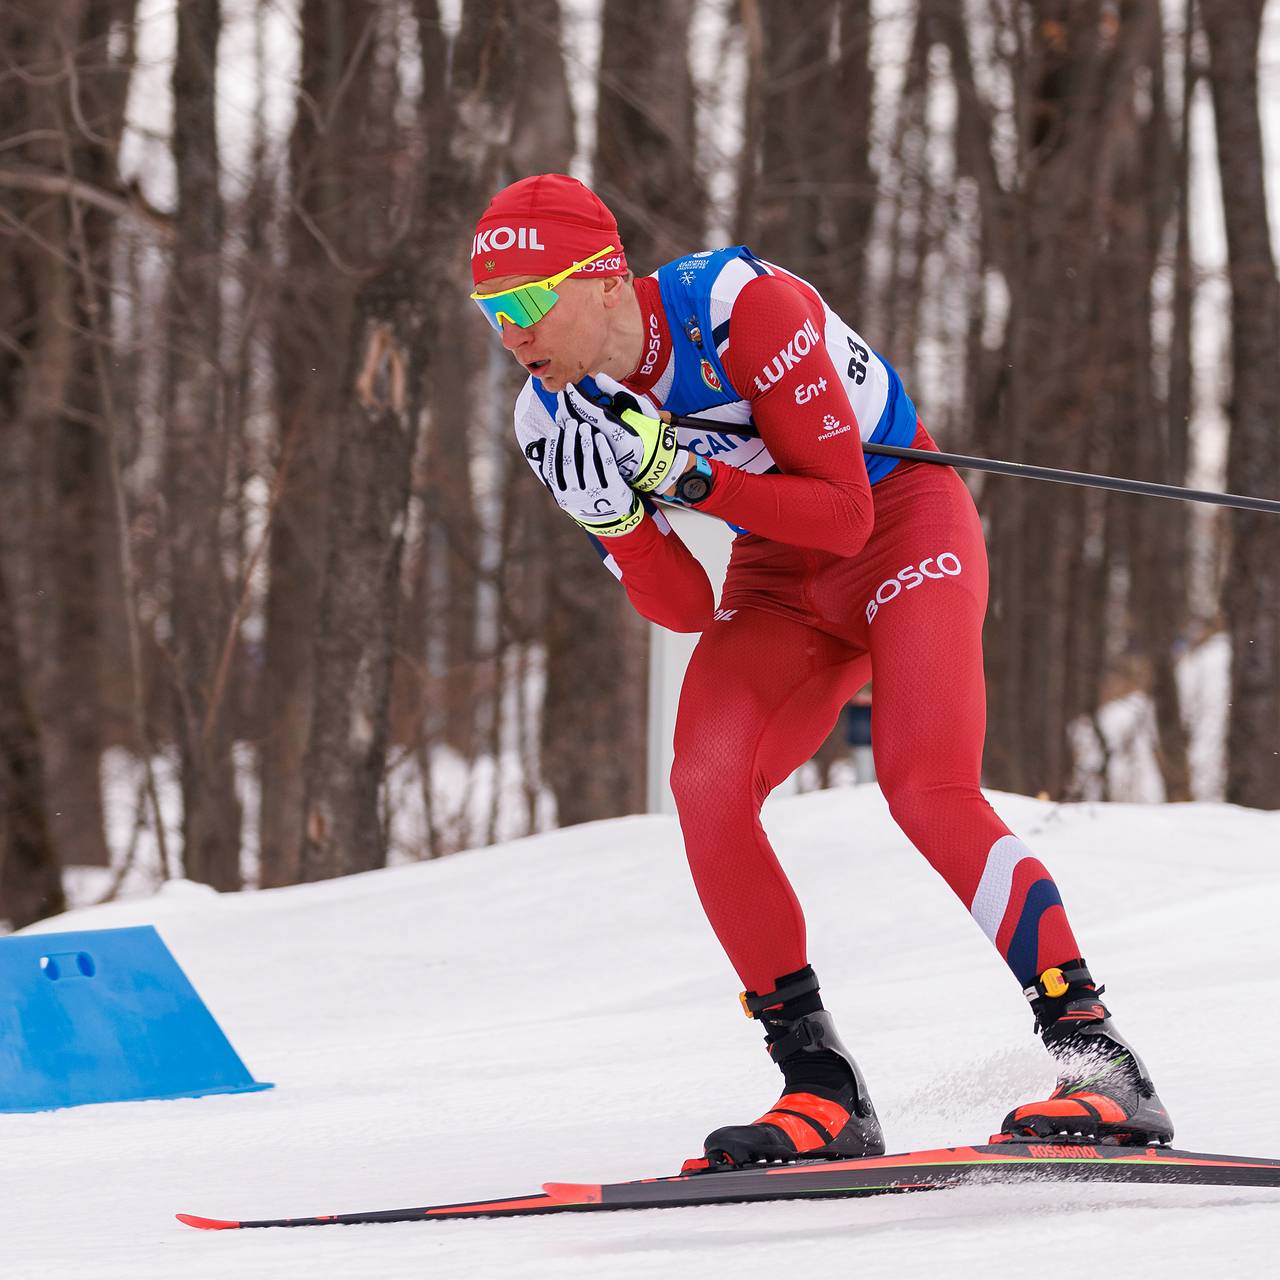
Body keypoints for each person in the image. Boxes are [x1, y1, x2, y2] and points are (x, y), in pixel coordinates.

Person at [468, 173, 1172, 1169]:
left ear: (603, 278)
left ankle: (1098, 1057)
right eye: (492, 311)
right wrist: (619, 521)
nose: (510, 332)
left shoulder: (737, 309)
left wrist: (685, 473)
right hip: (775, 573)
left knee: (921, 784)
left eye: (526, 302)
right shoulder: (550, 419)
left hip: (897, 523)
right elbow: (683, 607)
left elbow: (842, 513)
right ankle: (819, 1085)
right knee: (705, 784)